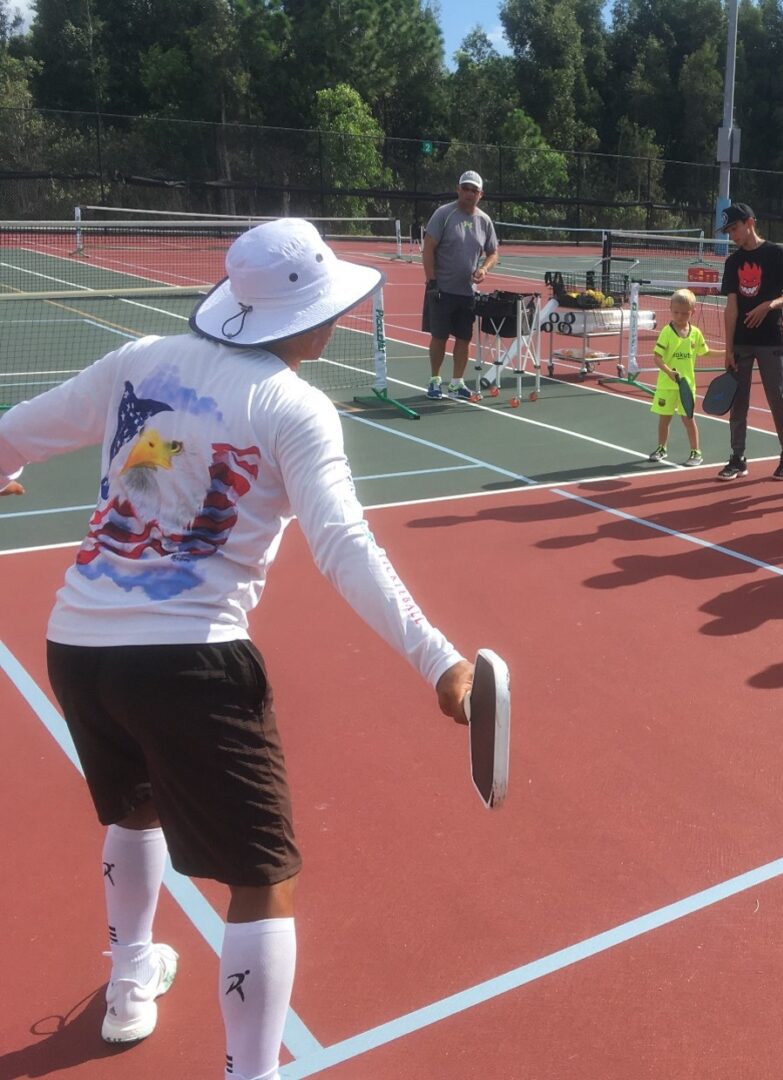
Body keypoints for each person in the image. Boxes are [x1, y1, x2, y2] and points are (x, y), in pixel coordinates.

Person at [0, 219, 475, 1080]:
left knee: (133, 808)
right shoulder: (295, 407)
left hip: (78, 644)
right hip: (192, 660)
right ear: (314, 315)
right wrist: (440, 658)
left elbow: (10, 434)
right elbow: (344, 546)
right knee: (262, 879)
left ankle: (131, 981)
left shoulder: (138, 359)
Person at [717, 202, 783, 481]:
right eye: (728, 231)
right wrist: (728, 349)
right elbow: (731, 308)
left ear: (750, 222)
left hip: (771, 340)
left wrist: (769, 305)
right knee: (738, 402)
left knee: (777, 398)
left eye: (734, 228)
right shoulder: (733, 262)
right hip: (741, 343)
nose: (732, 235)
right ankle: (737, 458)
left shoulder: (776, 253)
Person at [422, 170, 500, 401]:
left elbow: (493, 252)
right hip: (441, 290)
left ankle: (457, 383)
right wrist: (432, 281)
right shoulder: (443, 214)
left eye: (473, 190)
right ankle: (435, 381)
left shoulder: (484, 221)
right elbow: (428, 249)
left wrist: (484, 269)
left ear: (480, 194)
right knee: (439, 337)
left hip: (467, 293)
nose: (468, 193)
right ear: (458, 190)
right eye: (465, 188)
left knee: (464, 339)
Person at [647, 287, 706, 466]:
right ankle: (661, 448)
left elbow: (706, 352)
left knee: (688, 420)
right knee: (664, 420)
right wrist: (669, 372)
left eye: (684, 313)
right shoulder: (666, 331)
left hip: (687, 387)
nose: (680, 316)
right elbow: (657, 358)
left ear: (692, 312)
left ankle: (696, 452)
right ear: (670, 309)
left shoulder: (695, 333)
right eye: (676, 312)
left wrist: (728, 353)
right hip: (667, 385)